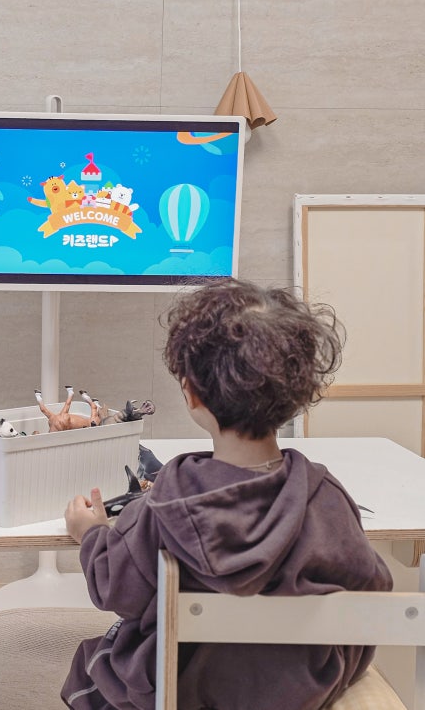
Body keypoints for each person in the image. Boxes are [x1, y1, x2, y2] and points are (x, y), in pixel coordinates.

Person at [61, 278, 392, 710]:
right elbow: (371, 591)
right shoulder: (326, 496)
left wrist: (91, 534)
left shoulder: (167, 499)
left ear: (192, 394)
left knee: (96, 664)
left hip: (183, 688)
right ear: (296, 396)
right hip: (299, 691)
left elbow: (116, 588)